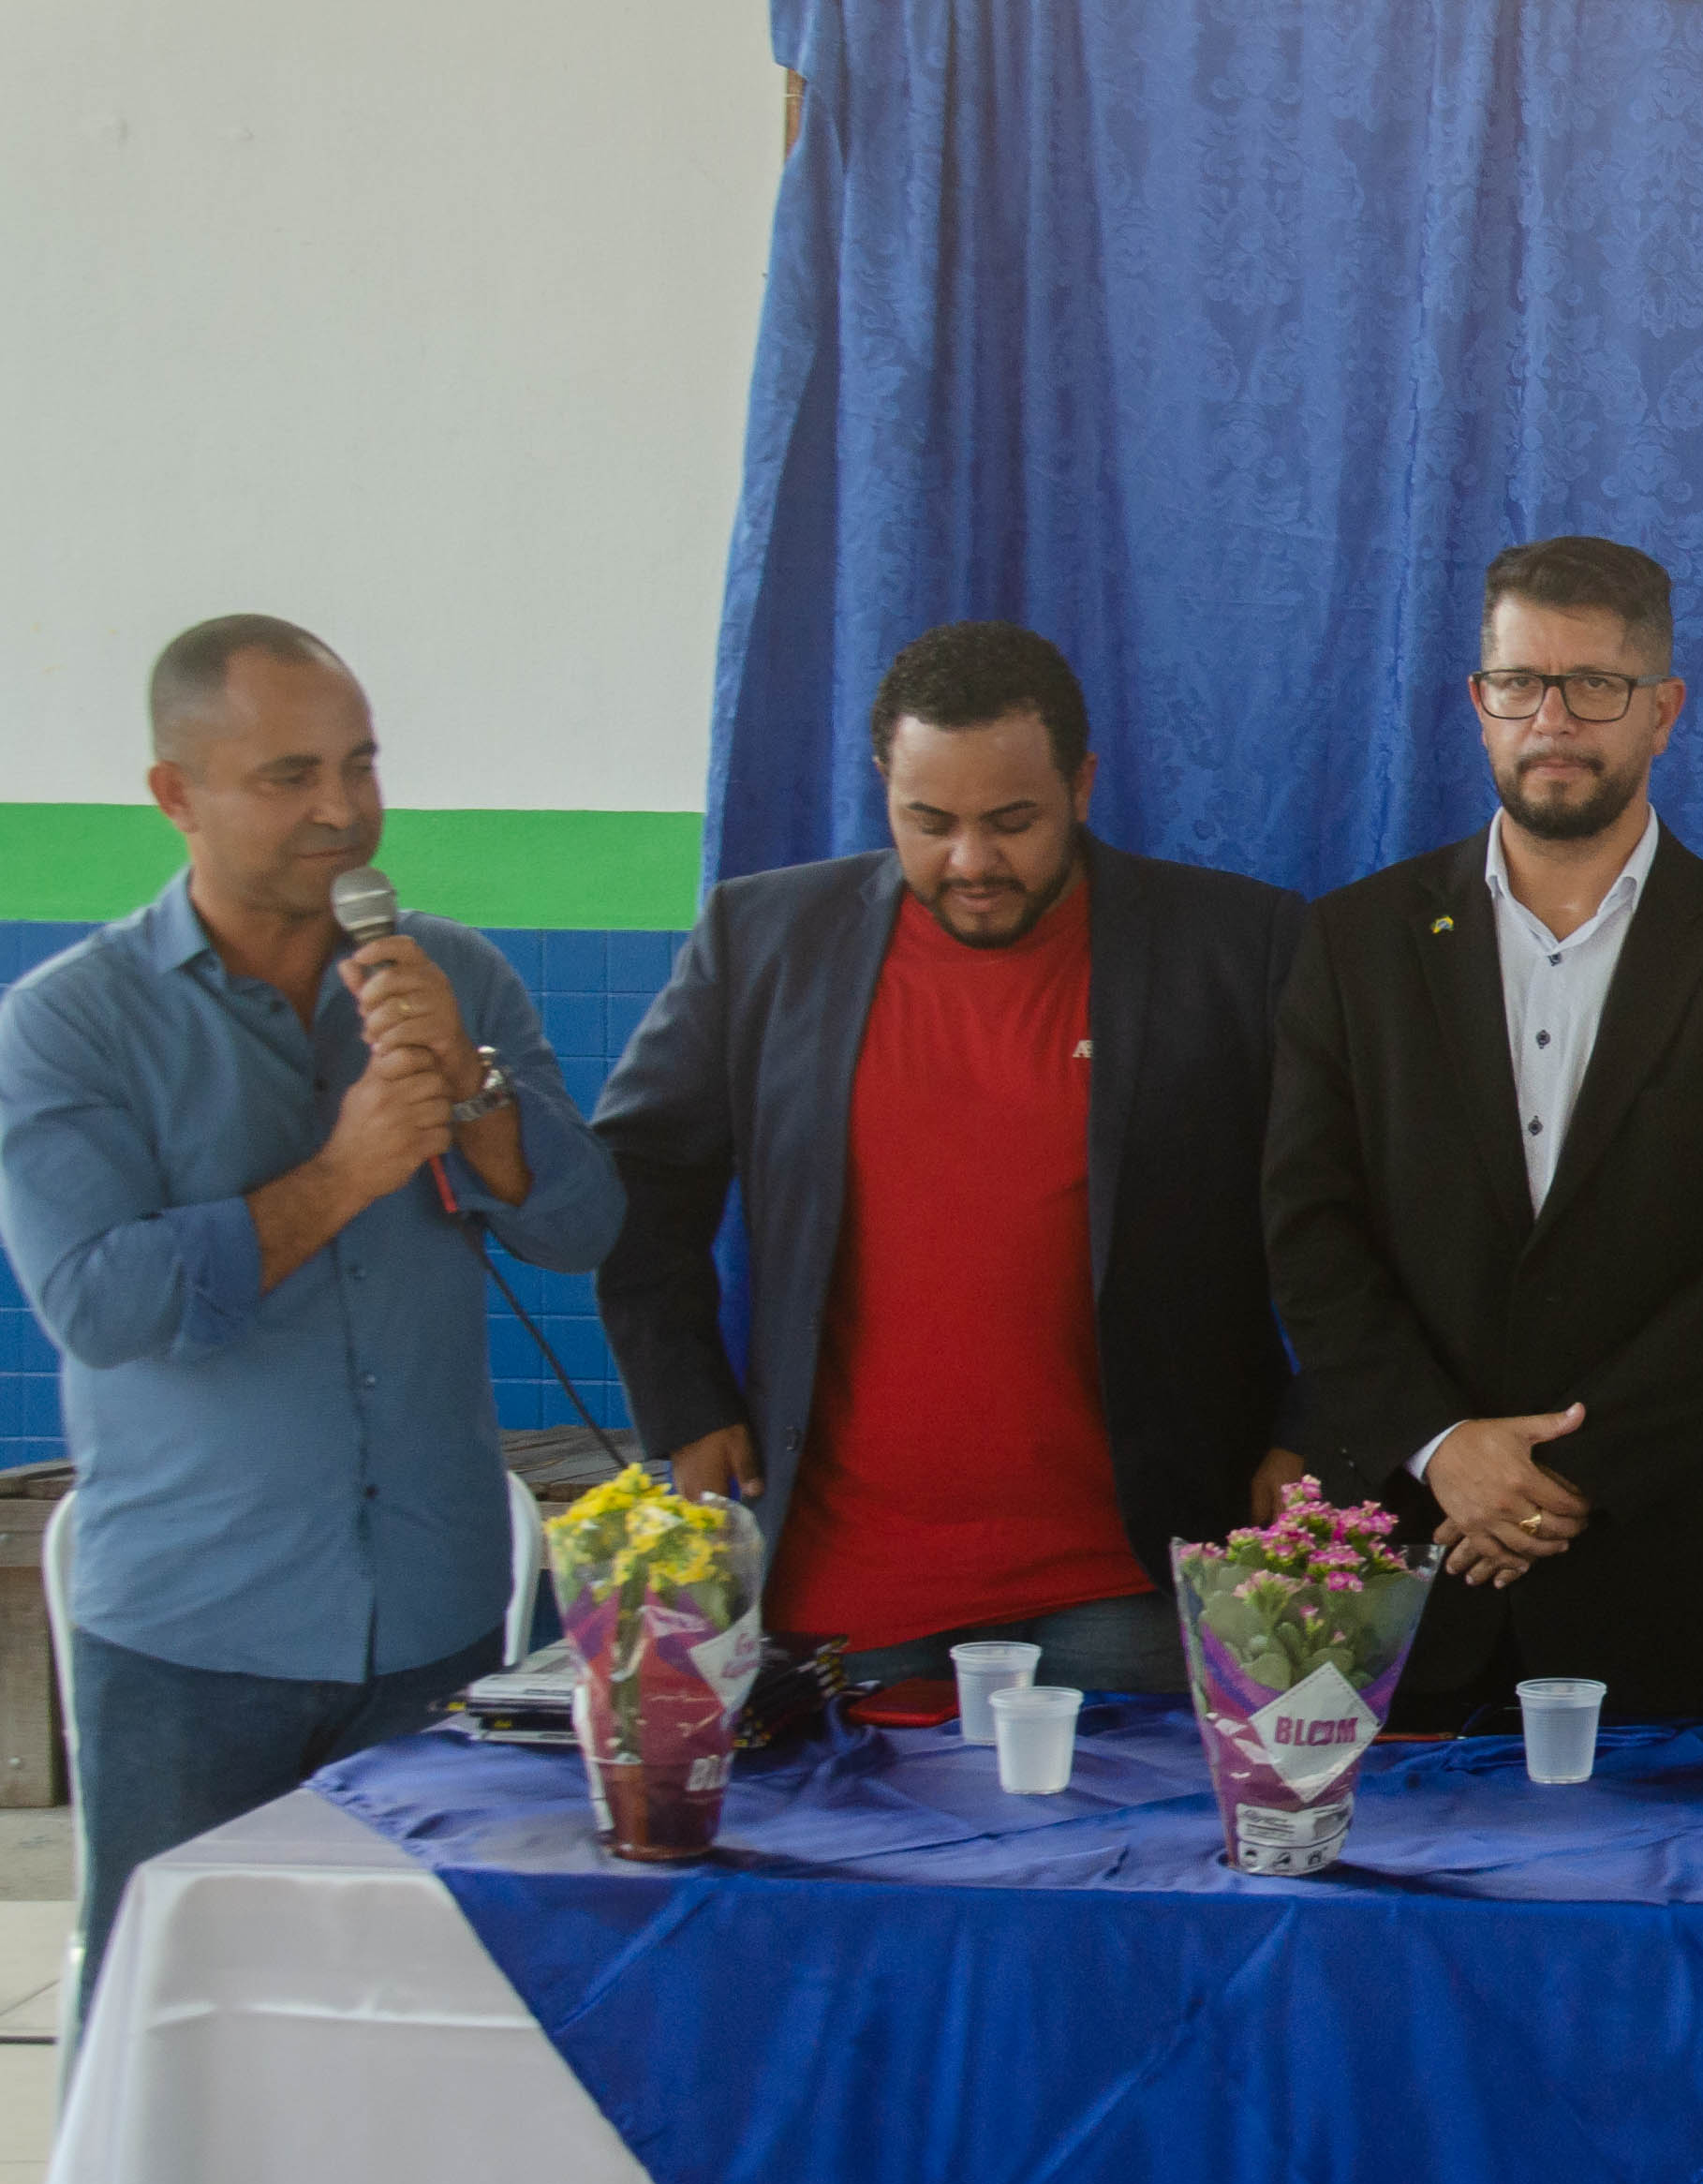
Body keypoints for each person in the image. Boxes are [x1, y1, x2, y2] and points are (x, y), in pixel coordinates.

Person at [0, 617, 617, 1997]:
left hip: (440, 1622)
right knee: (186, 2016)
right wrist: (343, 1175)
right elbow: (100, 1305)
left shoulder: (455, 978)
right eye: (289, 776)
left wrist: (477, 1092)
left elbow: (582, 1230)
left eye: (360, 764)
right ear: (175, 793)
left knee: (424, 2019)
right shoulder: (71, 1023)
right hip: (194, 1638)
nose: (342, 810)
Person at [591, 622, 1309, 1694]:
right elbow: (637, 1175)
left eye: (1012, 821)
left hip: (1133, 1575)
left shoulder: (1235, 947)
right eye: (928, 822)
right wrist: (685, 1404)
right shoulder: (764, 938)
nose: (971, 862)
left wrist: (1310, 1434)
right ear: (883, 785)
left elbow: (1351, 1204)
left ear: (1082, 784)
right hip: (850, 1583)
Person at [1262, 536, 1703, 1723]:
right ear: (1478, 701)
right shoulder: (1355, 943)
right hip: (1401, 1557)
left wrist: (1556, 1476)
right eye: (1520, 682)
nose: (1553, 720)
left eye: (1596, 685)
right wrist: (1443, 1446)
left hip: (1653, 1563)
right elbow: (1308, 1231)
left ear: (1663, 711)